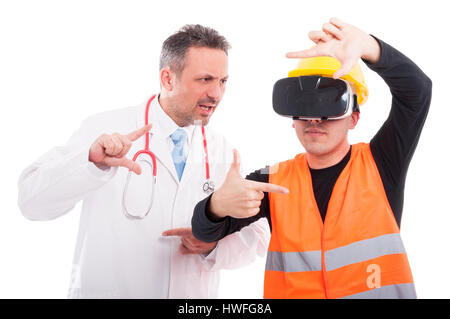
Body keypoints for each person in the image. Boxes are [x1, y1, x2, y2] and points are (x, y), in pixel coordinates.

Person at [17, 24, 271, 298]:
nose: (216, 94)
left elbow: (255, 238)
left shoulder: (223, 150)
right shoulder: (107, 128)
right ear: (167, 79)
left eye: (222, 81)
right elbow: (31, 201)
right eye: (205, 79)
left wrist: (211, 243)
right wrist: (91, 163)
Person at [192, 18, 432, 299]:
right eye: (304, 107)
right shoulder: (273, 182)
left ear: (354, 118)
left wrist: (369, 46)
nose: (315, 119)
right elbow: (204, 232)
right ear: (292, 119)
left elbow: (418, 91)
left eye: (330, 105)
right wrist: (215, 206)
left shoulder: (381, 163)